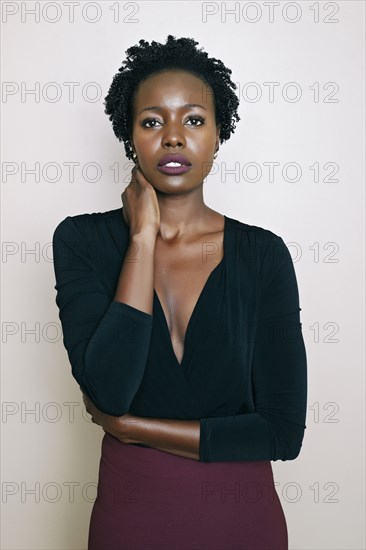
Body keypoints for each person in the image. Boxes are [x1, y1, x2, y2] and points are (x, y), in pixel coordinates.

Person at [52, 35, 308, 550]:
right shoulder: (81, 240)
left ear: (218, 135)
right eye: (151, 122)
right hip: (131, 522)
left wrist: (133, 428)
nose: (173, 137)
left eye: (193, 120)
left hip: (243, 523)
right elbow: (109, 390)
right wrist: (142, 237)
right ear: (130, 137)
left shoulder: (263, 255)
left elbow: (282, 432)